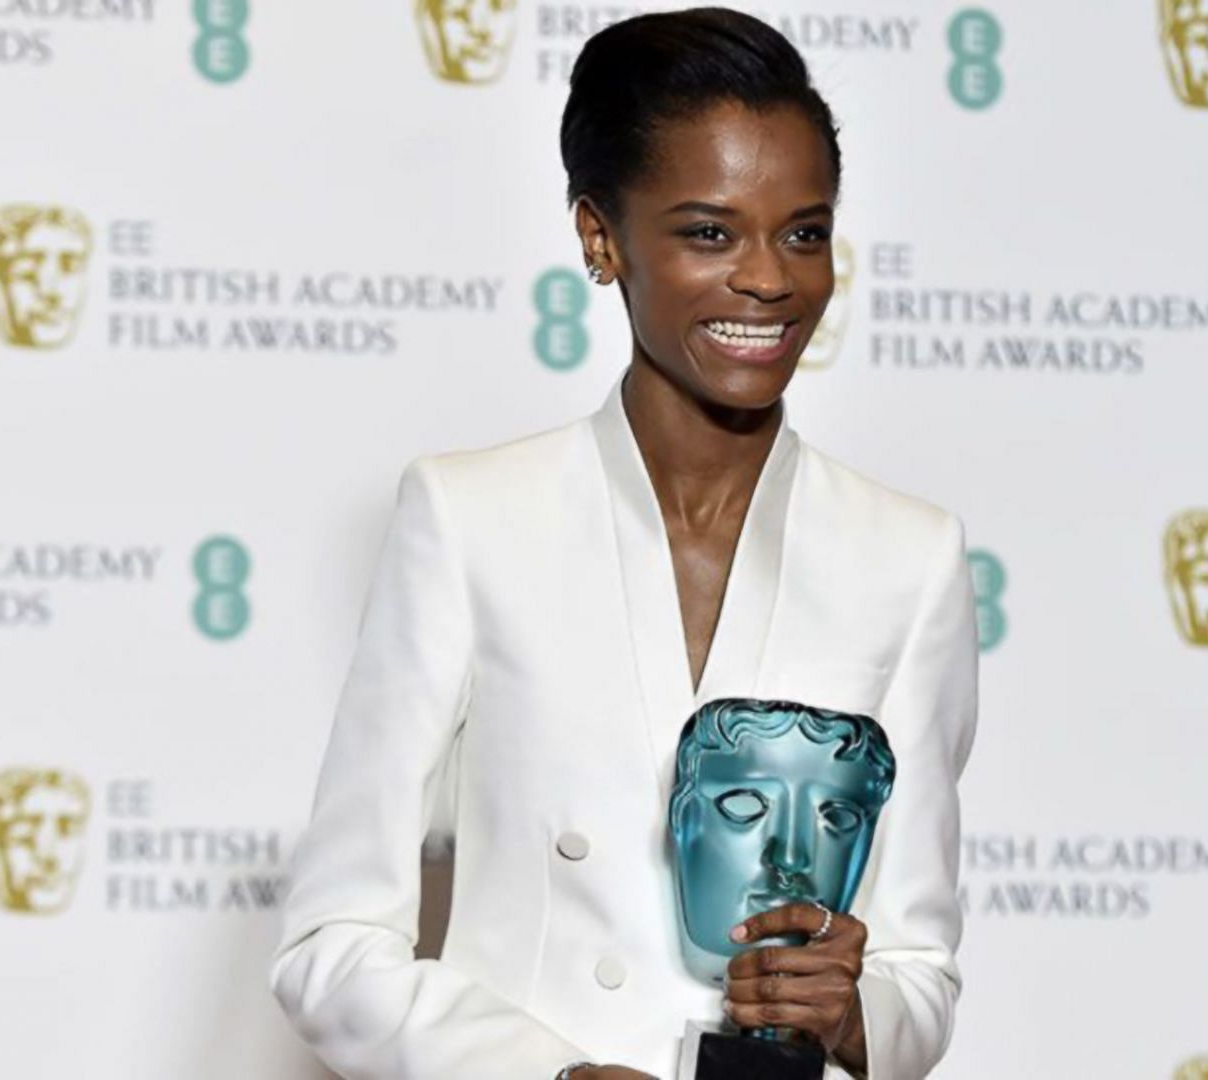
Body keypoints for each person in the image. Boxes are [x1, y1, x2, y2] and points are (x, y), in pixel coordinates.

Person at [270, 9, 977, 1078]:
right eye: (708, 232)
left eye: (804, 231)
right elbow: (329, 950)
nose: (768, 280)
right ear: (602, 237)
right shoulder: (471, 520)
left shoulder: (907, 559)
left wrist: (855, 1006)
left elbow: (920, 972)